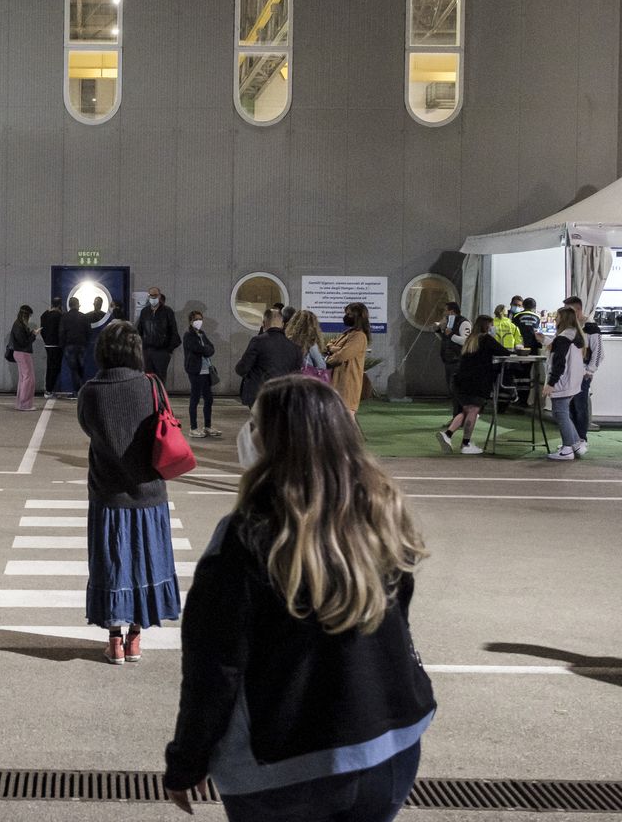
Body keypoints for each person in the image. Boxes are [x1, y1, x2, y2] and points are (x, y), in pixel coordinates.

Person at [164, 375, 435, 821]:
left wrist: (186, 759)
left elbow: (213, 668)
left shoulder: (244, 537)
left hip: (285, 766)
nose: (247, 436)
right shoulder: (383, 514)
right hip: (390, 745)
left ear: (276, 442)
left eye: (254, 426)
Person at [76, 321, 182, 665]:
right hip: (150, 494)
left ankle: (115, 641)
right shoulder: (152, 385)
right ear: (136, 350)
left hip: (108, 494)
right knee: (146, 563)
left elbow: (88, 429)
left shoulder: (90, 391)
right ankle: (136, 637)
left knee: (112, 564)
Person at [438, 315, 513, 455]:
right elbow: (505, 352)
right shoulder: (487, 340)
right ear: (487, 326)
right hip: (477, 382)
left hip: (460, 380)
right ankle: (465, 444)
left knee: (466, 410)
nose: (493, 328)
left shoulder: (470, 340)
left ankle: (448, 434)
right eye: (491, 325)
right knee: (473, 411)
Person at [540, 306, 587, 461]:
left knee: (560, 413)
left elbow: (559, 362)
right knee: (562, 413)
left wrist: (551, 383)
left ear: (564, 318)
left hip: (563, 381)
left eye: (558, 317)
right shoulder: (575, 335)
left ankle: (568, 448)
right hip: (573, 381)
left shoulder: (564, 337)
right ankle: (575, 444)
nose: (555, 319)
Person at [235, 308, 299, 407]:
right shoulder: (294, 346)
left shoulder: (257, 341)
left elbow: (242, 368)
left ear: (264, 323)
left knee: (260, 422)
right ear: (282, 324)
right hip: (282, 395)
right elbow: (296, 373)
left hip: (259, 395)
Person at [564, 296, 603, 455]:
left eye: (569, 310)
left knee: (580, 406)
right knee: (569, 407)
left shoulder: (591, 327)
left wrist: (590, 370)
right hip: (568, 373)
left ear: (578, 310)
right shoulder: (569, 327)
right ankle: (571, 441)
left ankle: (581, 439)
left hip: (583, 374)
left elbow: (599, 352)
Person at [326, 302, 371, 416]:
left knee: (346, 426)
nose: (346, 317)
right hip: (338, 385)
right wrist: (335, 348)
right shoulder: (348, 333)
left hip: (347, 386)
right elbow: (330, 344)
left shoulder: (359, 336)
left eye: (349, 314)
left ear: (357, 317)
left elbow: (343, 355)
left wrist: (327, 360)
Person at [182, 310, 220, 439]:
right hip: (195, 371)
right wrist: (206, 350)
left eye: (200, 319)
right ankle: (193, 428)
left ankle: (207, 426)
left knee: (209, 399)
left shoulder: (202, 334)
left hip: (206, 371)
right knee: (195, 399)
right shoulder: (188, 335)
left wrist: (206, 350)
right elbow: (198, 349)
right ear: (191, 321)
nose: (199, 322)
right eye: (196, 319)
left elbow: (211, 348)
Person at [138, 287, 182, 389]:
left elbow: (174, 332)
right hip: (147, 351)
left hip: (162, 352)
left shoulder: (167, 311)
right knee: (147, 379)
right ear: (148, 297)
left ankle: (160, 403)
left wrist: (168, 350)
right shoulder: (144, 312)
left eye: (155, 295)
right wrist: (141, 348)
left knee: (160, 380)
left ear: (160, 296)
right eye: (151, 295)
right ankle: (149, 402)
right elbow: (139, 330)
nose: (153, 297)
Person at [434, 301, 471, 412]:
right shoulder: (449, 323)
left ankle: (460, 416)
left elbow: (466, 341)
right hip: (449, 360)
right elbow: (446, 339)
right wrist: (439, 329)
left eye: (445, 310)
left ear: (451, 311)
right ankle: (457, 416)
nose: (444, 313)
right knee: (452, 391)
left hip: (458, 360)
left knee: (456, 391)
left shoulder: (464, 323)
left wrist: (451, 334)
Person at [59, 296, 94, 396]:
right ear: (77, 304)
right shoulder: (84, 317)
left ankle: (77, 391)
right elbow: (89, 331)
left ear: (69, 305)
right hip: (82, 345)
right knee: (81, 368)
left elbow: (61, 332)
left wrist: (62, 345)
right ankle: (81, 389)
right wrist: (86, 342)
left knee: (74, 369)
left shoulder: (64, 317)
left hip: (69, 345)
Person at [9, 304, 38, 411]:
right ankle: (25, 404)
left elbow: (22, 339)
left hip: (19, 353)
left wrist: (32, 333)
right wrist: (34, 335)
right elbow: (24, 342)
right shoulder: (19, 325)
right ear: (26, 315)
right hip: (23, 353)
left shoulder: (18, 324)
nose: (30, 318)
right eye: (30, 315)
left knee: (23, 378)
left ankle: (21, 403)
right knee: (28, 378)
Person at [39, 297, 65, 398]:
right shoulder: (60, 316)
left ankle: (48, 389)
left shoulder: (45, 315)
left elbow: (42, 330)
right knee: (55, 368)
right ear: (59, 305)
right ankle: (49, 389)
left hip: (48, 344)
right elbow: (62, 331)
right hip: (57, 345)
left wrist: (46, 340)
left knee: (50, 366)